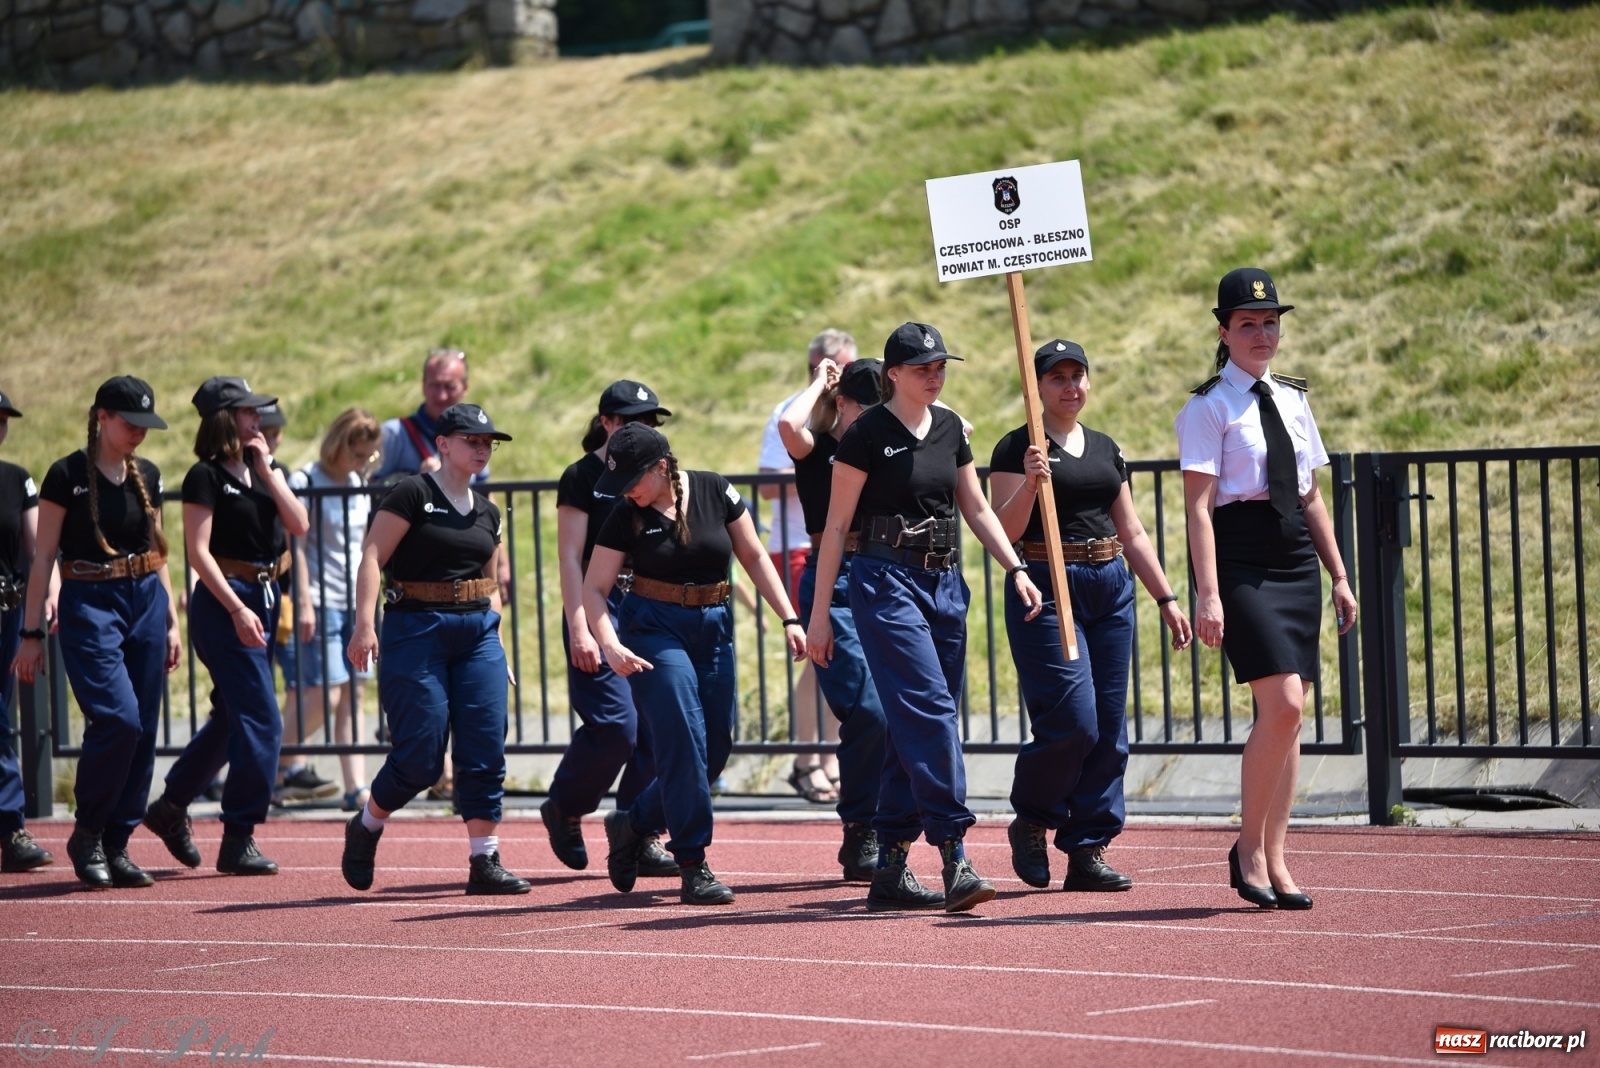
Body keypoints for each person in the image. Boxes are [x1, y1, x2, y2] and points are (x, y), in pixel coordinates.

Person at [806, 323, 1043, 914]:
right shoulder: (864, 436)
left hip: (945, 583)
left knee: (913, 722)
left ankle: (889, 862)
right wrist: (818, 618)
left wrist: (1015, 567)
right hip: (884, 581)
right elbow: (836, 528)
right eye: (922, 369)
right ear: (893, 375)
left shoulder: (948, 429)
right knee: (929, 711)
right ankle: (955, 852)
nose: (935, 376)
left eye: (941, 367)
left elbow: (977, 507)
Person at [1175, 268, 1357, 911]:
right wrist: (1208, 592)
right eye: (1247, 323)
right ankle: (1247, 847)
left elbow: (1311, 497)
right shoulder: (1208, 406)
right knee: (1281, 705)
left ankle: (1277, 857)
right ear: (1223, 331)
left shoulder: (1295, 400)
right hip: (1242, 559)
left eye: (1271, 322)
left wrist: (1338, 574)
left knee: (1291, 716)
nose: (1262, 333)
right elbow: (1198, 509)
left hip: (1294, 557)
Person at [989, 339, 1193, 893]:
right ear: (1036, 388)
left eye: (1078, 375)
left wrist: (1166, 597)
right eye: (1057, 378)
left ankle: (1088, 847)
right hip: (1048, 585)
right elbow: (1003, 532)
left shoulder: (1106, 448)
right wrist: (1032, 481)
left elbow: (1131, 530)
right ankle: (1032, 817)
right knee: (1072, 721)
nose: (1070, 386)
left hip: (1110, 586)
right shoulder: (1017, 448)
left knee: (1108, 729)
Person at [584, 423, 807, 906]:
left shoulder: (714, 488)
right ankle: (693, 861)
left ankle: (634, 824)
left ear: (662, 467)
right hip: (654, 632)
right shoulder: (627, 514)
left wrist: (789, 616)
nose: (627, 493)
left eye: (633, 481)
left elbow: (751, 554)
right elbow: (595, 589)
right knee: (684, 739)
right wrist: (610, 644)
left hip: (713, 626)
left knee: (715, 748)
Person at [341, 403, 529, 896]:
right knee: (421, 758)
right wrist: (365, 625)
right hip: (416, 628)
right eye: (472, 439)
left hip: (478, 633)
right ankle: (367, 824)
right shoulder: (411, 493)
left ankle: (484, 860)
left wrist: (500, 647)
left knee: (485, 744)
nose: (482, 448)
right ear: (443, 444)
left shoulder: (488, 511)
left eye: (488, 442)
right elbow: (372, 557)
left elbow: (492, 586)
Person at [13, 377, 180, 889]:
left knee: (146, 726)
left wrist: (171, 617)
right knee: (118, 718)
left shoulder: (145, 474)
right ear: (101, 416)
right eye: (130, 424)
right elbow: (43, 557)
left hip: (146, 599)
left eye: (145, 426)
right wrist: (31, 631)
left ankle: (118, 842)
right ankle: (86, 832)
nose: (138, 435)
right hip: (90, 601)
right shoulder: (65, 475)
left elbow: (159, 550)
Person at [146, 376, 310, 877]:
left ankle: (170, 806)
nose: (257, 420)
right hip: (226, 602)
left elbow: (299, 525)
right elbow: (197, 552)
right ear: (225, 419)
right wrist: (237, 611)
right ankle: (239, 835)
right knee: (263, 718)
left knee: (234, 717)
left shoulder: (265, 469)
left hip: (265, 594)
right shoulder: (205, 476)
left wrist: (268, 471)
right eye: (247, 412)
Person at [541, 381, 676, 879]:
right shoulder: (581, 476)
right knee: (617, 725)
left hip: (645, 604)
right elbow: (570, 557)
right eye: (633, 419)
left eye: (650, 421)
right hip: (597, 606)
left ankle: (638, 834)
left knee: (655, 725)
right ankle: (565, 806)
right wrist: (579, 624)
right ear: (607, 423)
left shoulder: (654, 467)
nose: (644, 428)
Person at [777, 358, 888, 881]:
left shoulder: (885, 445)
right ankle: (861, 829)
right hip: (832, 580)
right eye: (867, 406)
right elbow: (788, 426)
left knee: (894, 709)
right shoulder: (819, 449)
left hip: (884, 574)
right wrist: (823, 382)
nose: (877, 417)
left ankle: (884, 827)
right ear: (844, 404)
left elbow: (955, 424)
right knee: (868, 710)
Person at [759, 330, 856, 802]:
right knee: (819, 655)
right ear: (819, 366)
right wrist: (830, 479)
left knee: (837, 654)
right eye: (839, 366)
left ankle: (827, 756)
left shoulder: (856, 414)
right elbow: (765, 484)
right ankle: (805, 759)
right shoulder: (793, 411)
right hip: (800, 543)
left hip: (845, 549)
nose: (846, 375)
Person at [280, 408, 381, 812]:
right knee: (323, 694)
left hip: (354, 602)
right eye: (357, 454)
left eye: (369, 456)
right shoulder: (306, 480)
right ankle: (268, 762)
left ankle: (355, 786)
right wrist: (303, 599)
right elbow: (297, 547)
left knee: (354, 694)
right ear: (337, 446)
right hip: (319, 600)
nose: (362, 463)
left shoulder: (359, 482)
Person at [0, 388, 55, 874]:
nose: (0, 427)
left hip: (6, 613)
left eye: (3, 420)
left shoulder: (17, 479)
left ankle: (10, 824)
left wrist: (49, 592)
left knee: (0, 717)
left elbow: (41, 550)